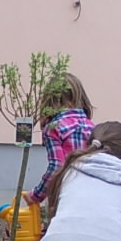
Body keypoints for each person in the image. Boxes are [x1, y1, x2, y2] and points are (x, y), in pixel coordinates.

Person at [23, 73, 95, 208]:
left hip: (65, 193)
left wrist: (36, 195)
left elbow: (57, 166)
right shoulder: (91, 126)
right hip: (91, 190)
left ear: (50, 101)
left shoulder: (54, 128)